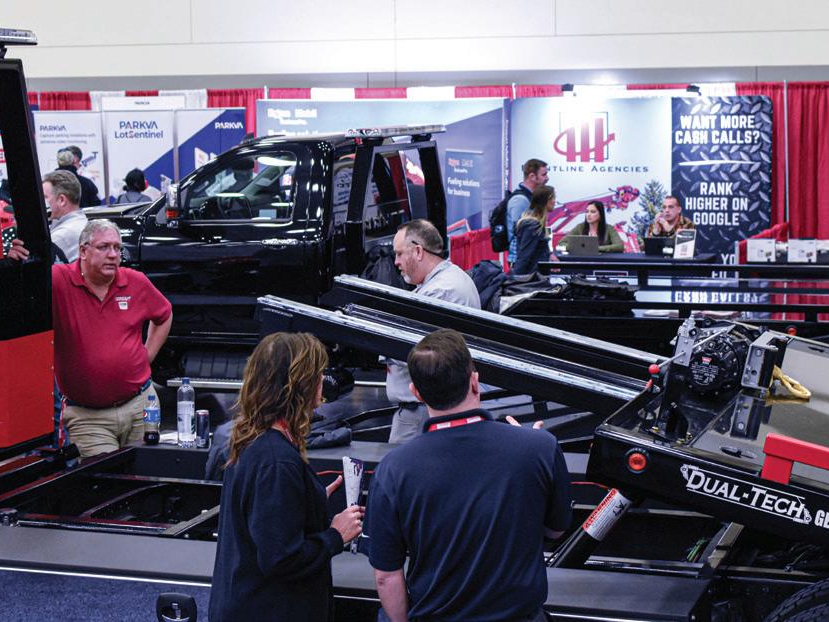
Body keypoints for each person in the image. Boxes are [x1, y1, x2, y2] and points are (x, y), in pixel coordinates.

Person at [366, 329, 573, 622]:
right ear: (474, 381)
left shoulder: (392, 470)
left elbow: (386, 576)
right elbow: (556, 531)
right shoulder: (539, 448)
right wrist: (527, 449)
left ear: (416, 392)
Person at [210, 332, 364, 622]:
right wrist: (335, 536)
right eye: (318, 374)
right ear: (300, 384)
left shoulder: (252, 440)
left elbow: (264, 520)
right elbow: (280, 558)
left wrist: (310, 501)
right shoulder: (276, 461)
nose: (323, 380)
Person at [8, 220, 173, 457]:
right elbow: (18, 300)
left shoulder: (135, 281)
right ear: (83, 251)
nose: (113, 255)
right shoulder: (58, 280)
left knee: (146, 473)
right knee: (105, 477)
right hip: (88, 417)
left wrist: (147, 355)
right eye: (104, 247)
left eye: (117, 248)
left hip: (141, 405)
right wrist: (14, 267)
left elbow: (164, 315)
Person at [386, 219, 481, 443]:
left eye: (399, 254)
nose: (396, 262)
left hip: (421, 413)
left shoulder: (440, 292)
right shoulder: (443, 282)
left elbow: (416, 354)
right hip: (425, 407)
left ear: (418, 251)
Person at [506, 158, 549, 268]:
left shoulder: (531, 198)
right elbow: (522, 234)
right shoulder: (520, 200)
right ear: (532, 176)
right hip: (522, 261)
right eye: (544, 175)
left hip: (530, 259)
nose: (547, 178)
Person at [512, 185, 556, 276]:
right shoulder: (532, 226)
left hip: (538, 276)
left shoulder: (540, 224)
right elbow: (524, 255)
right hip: (532, 278)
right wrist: (515, 279)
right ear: (546, 200)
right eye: (553, 198)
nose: (554, 201)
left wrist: (550, 254)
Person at [44, 170, 88, 261]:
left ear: (62, 200)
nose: (42, 202)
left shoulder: (61, 236)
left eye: (45, 197)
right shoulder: (82, 222)